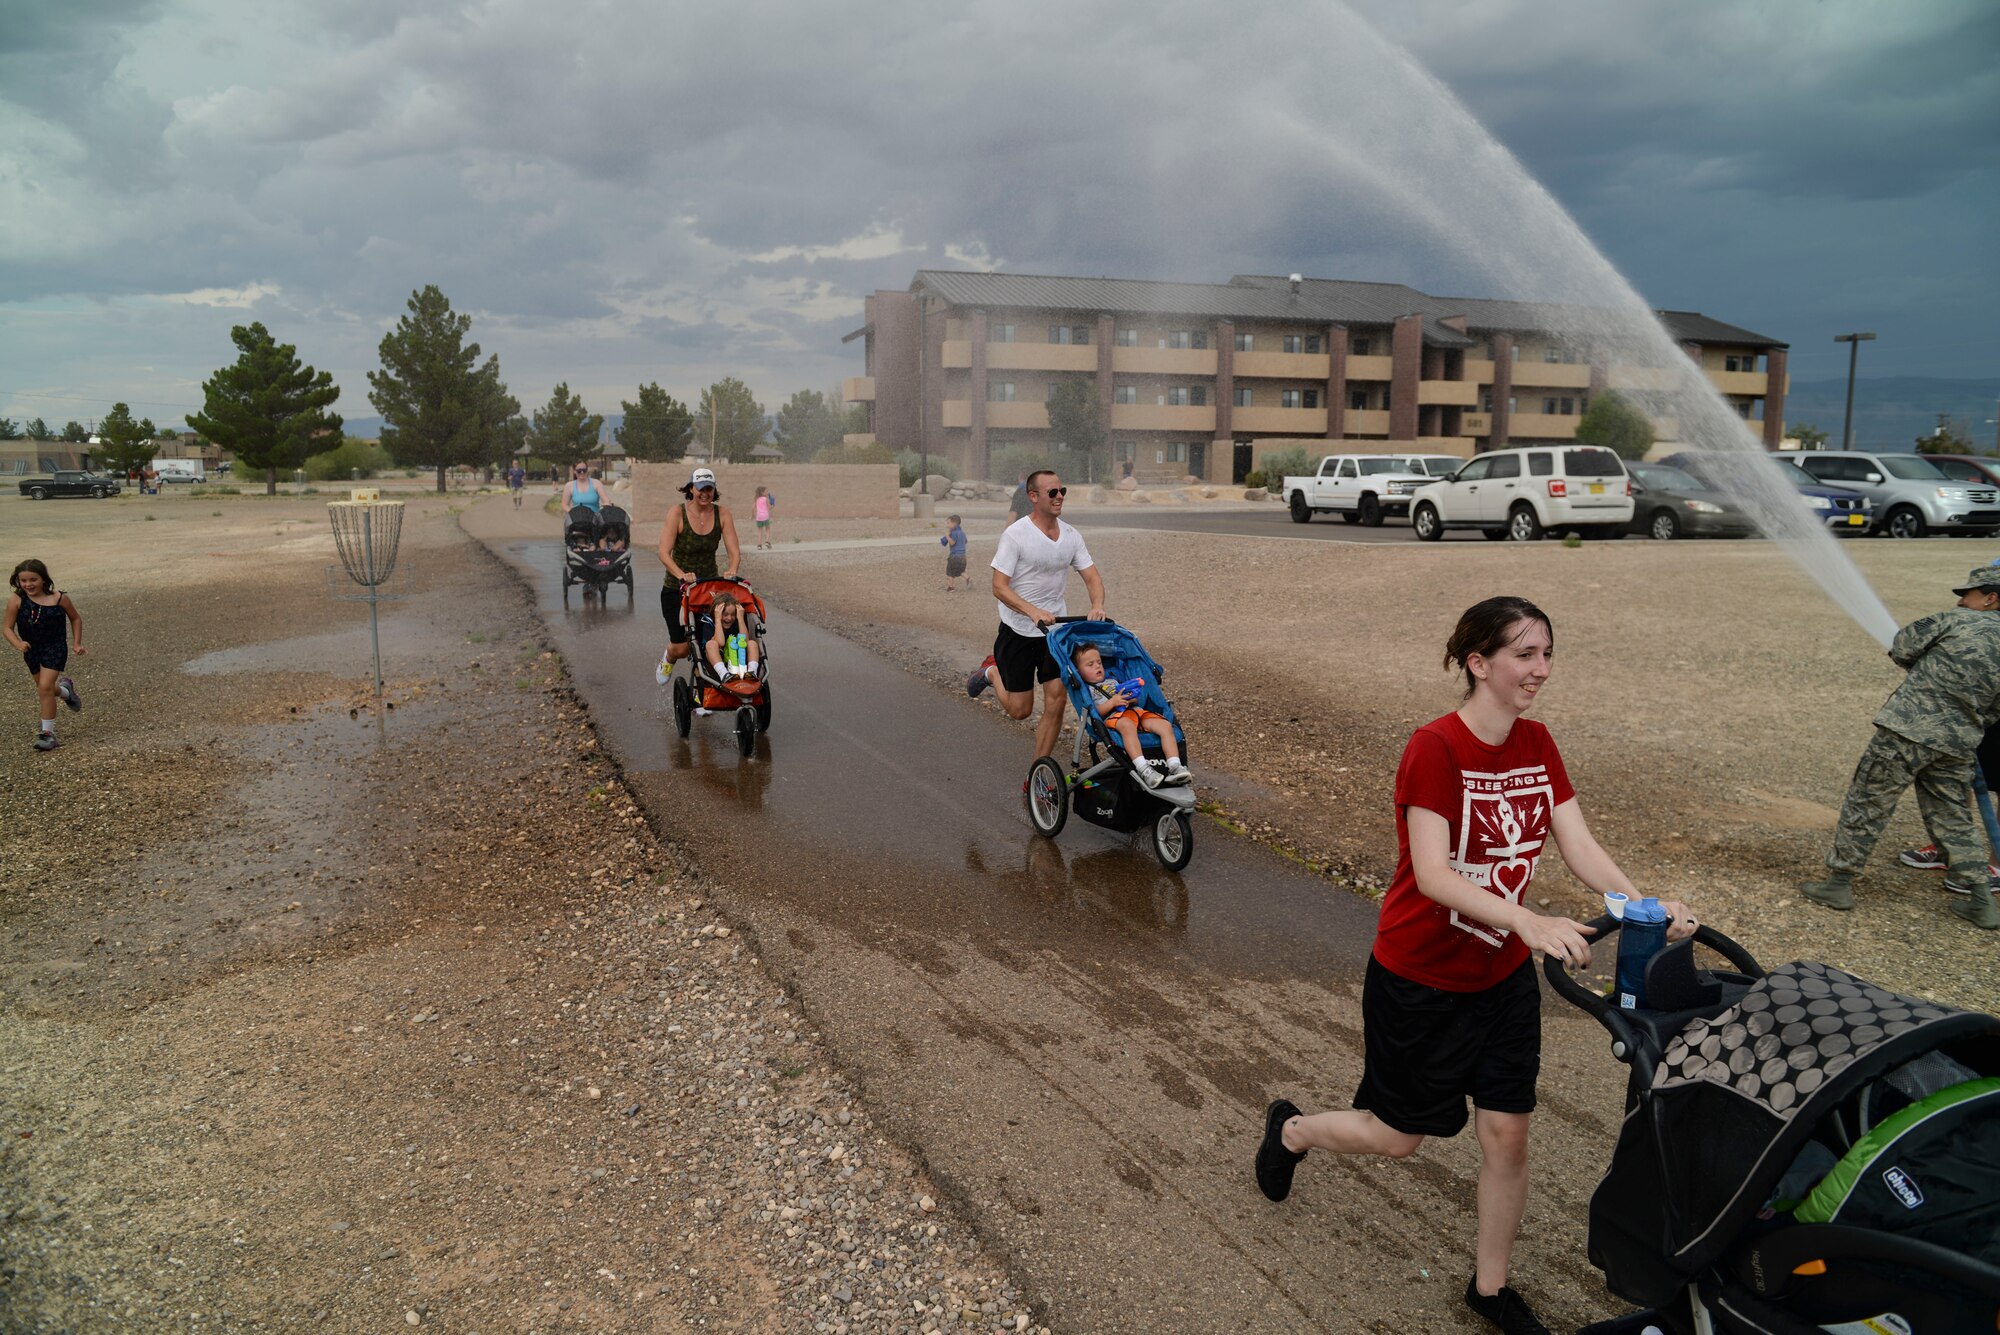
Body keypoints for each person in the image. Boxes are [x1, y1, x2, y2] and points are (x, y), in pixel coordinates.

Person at [1253, 596, 1695, 1335]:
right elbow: (1432, 873)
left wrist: (1643, 903)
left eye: (1547, 653)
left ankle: (1489, 1290)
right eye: (1524, 654)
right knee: (1400, 1137)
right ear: (1477, 663)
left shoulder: (1539, 744)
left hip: (1500, 982)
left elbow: (1577, 844)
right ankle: (1293, 1131)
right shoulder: (1435, 747)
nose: (1541, 669)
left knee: (1507, 1135)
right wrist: (1527, 919)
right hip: (1418, 979)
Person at [1803, 565, 2000, 929]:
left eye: (1968, 594)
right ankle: (1982, 900)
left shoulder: (1952, 621)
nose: (1961, 599)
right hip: (1958, 744)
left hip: (1905, 733)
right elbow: (1994, 711)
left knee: (1868, 802)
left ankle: (1839, 884)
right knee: (1954, 817)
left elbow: (1902, 646)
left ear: (1991, 599)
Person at [966, 470, 1105, 763]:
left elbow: (1092, 576)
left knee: (1056, 701)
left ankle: (1038, 774)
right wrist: (1032, 611)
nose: (1059, 497)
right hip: (1017, 630)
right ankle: (991, 673)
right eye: (1052, 492)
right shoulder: (1015, 535)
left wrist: (1097, 605)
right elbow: (998, 586)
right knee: (1020, 710)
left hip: (1054, 635)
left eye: (1061, 491)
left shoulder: (1070, 535)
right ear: (1033, 497)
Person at [657, 467, 743, 667]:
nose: (705, 493)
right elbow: (663, 552)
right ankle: (668, 656)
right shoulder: (677, 513)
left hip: (708, 589)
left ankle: (705, 685)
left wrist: (732, 569)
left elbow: (734, 551)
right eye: (700, 488)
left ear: (714, 490)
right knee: (682, 648)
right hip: (676, 588)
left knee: (709, 641)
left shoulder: (723, 514)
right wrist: (681, 575)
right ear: (691, 489)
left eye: (709, 489)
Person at [1072, 643, 1189, 787]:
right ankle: (1144, 769)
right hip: (1115, 717)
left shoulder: (1113, 680)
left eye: (1099, 662)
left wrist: (1132, 698)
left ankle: (1175, 767)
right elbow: (1095, 712)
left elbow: (1133, 698)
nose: (1097, 666)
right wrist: (1113, 702)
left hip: (1136, 712)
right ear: (1078, 671)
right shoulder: (1088, 689)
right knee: (1127, 725)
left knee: (1165, 725)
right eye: (1090, 664)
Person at [4, 559, 85, 753]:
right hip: (31, 649)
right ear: (18, 581)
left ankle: (47, 735)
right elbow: (7, 627)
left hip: (54, 647)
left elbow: (75, 618)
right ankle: (66, 692)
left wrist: (76, 643)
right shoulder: (17, 599)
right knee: (45, 688)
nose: (28, 584)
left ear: (44, 579)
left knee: (45, 688)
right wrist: (17, 643)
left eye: (33, 579)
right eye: (23, 580)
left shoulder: (60, 598)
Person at [703, 593, 759, 680]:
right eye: (725, 614)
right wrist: (717, 619)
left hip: (738, 660)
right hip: (716, 662)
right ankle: (724, 674)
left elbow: (745, 641)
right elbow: (720, 643)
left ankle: (752, 673)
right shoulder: (708, 624)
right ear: (717, 613)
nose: (729, 618)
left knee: (752, 643)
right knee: (711, 644)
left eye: (733, 614)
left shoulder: (736, 624)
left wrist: (740, 618)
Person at [940, 514, 969, 592]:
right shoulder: (962, 533)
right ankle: (967, 578)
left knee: (950, 572)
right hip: (963, 556)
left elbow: (952, 543)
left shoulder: (954, 533)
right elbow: (965, 541)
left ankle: (951, 587)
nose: (947, 525)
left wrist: (947, 536)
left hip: (955, 556)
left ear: (954, 523)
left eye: (948, 523)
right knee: (960, 570)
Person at [751, 485, 775, 550]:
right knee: (767, 529)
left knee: (759, 531)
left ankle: (759, 545)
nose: (768, 492)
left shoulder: (756, 499)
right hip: (765, 516)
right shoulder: (766, 499)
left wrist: (752, 515)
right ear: (762, 492)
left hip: (758, 517)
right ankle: (767, 541)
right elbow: (769, 508)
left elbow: (753, 508)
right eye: (766, 491)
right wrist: (773, 505)